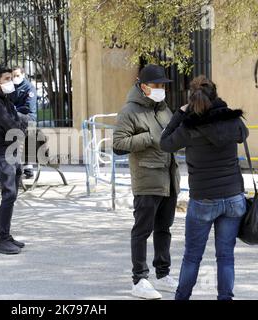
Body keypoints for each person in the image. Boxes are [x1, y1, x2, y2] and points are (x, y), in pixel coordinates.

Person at [160, 75, 249, 300]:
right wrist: (222, 107)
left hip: (203, 200)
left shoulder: (189, 127)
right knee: (226, 256)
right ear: (215, 95)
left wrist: (180, 113)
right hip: (233, 198)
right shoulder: (231, 120)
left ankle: (181, 298)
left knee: (192, 257)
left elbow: (165, 142)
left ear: (192, 100)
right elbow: (243, 133)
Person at [112, 64, 180, 299]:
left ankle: (163, 275)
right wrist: (150, 137)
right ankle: (139, 280)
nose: (161, 89)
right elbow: (118, 144)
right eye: (157, 86)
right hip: (147, 179)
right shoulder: (129, 111)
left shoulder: (164, 109)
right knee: (142, 230)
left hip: (169, 178)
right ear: (143, 87)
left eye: (163, 86)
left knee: (164, 229)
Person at [0, 64, 27, 255]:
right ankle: (2, 240)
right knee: (9, 194)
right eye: (6, 79)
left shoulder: (4, 98)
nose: (11, 82)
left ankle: (7, 236)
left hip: (10, 150)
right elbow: (12, 125)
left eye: (11, 78)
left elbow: (17, 121)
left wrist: (20, 124)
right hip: (1, 152)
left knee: (13, 194)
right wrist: (21, 125)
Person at [9, 66, 37, 179]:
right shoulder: (11, 87)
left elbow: (27, 106)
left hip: (28, 117)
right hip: (16, 117)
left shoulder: (29, 87)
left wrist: (14, 110)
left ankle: (28, 167)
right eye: (13, 76)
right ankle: (16, 164)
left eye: (17, 75)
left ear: (23, 75)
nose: (15, 78)